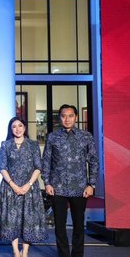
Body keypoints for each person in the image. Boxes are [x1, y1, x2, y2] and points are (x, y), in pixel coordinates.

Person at [42, 104, 99, 257]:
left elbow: (93, 161)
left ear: (76, 117)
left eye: (70, 115)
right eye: (63, 116)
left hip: (80, 188)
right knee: (59, 227)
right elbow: (46, 161)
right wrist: (46, 182)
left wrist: (91, 184)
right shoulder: (52, 137)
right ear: (59, 117)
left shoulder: (86, 136)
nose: (67, 119)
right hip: (57, 187)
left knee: (79, 226)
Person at [0, 117, 47, 257]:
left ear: (24, 127)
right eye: (14, 126)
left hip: (29, 188)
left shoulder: (33, 145)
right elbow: (2, 168)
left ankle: (25, 252)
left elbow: (38, 167)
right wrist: (13, 185)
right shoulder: (5, 145)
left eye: (20, 126)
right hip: (10, 187)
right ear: (10, 129)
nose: (17, 129)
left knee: (28, 219)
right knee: (12, 220)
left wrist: (28, 184)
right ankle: (15, 251)